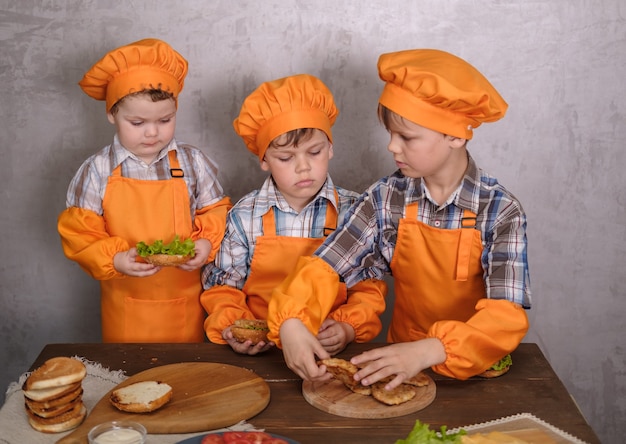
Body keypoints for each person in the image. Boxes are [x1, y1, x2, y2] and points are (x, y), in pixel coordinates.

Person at [268, 49, 532, 388]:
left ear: (454, 135)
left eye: (406, 137)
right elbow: (327, 265)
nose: (392, 147)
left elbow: (505, 315)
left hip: (477, 374)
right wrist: (290, 321)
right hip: (397, 366)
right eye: (390, 134)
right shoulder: (385, 198)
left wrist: (428, 351)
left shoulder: (500, 211)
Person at [58, 38, 231, 343]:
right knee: (129, 381)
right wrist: (114, 260)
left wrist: (205, 243)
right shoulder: (97, 169)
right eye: (137, 122)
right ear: (112, 114)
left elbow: (215, 211)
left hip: (186, 304)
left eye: (165, 120)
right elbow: (79, 233)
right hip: (124, 306)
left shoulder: (193, 162)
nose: (152, 132)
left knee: (187, 378)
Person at [201, 74, 387, 355]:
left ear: (331, 148)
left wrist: (347, 327)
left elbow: (367, 288)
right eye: (286, 158)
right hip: (262, 352)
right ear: (264, 159)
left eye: (314, 152)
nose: (303, 167)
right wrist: (235, 326)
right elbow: (224, 288)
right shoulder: (244, 217)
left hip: (327, 349)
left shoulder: (353, 212)